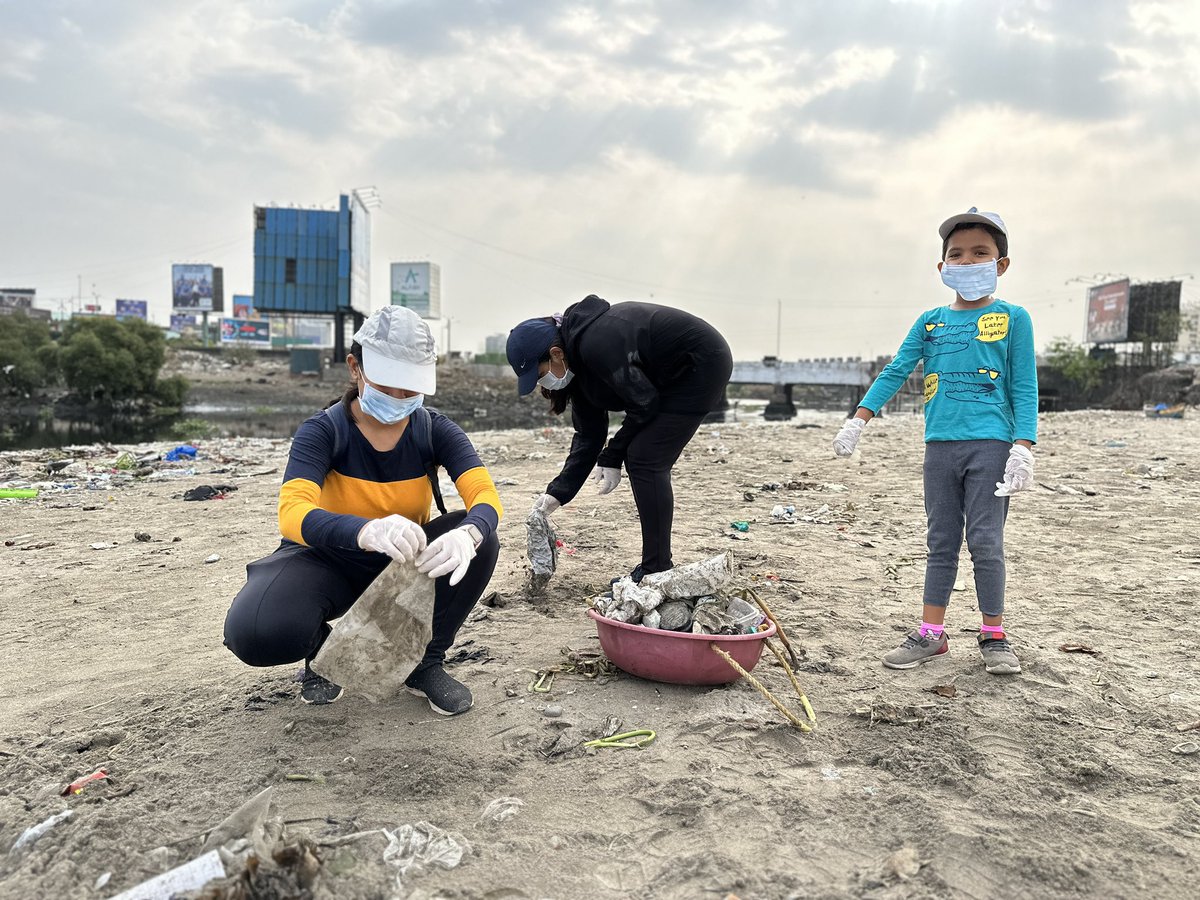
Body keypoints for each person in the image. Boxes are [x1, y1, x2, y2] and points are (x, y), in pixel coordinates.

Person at [223, 306, 503, 713]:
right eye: (388, 386)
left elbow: (485, 496)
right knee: (254, 630)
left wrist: (469, 533)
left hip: (402, 563)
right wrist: (365, 531)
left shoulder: (435, 430)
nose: (399, 399)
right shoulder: (323, 431)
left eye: (411, 390)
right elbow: (293, 513)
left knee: (482, 538)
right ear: (355, 368)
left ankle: (423, 663)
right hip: (325, 562)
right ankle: (322, 653)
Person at [832, 207, 1037, 675]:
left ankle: (994, 635)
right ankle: (931, 634)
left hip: (992, 445)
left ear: (1001, 263)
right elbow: (897, 369)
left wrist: (1023, 446)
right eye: (957, 255)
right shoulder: (931, 321)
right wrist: (859, 419)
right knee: (941, 540)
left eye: (980, 253)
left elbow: (1024, 385)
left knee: (986, 541)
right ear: (942, 266)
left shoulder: (1013, 318)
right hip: (938, 446)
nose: (968, 262)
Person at [506, 295, 732, 581]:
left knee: (645, 458)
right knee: (640, 455)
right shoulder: (578, 366)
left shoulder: (597, 343)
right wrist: (557, 493)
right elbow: (589, 434)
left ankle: (656, 567)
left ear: (555, 354)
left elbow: (644, 403)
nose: (542, 383)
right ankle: (656, 565)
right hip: (668, 377)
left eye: (539, 375)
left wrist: (612, 455)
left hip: (699, 364)